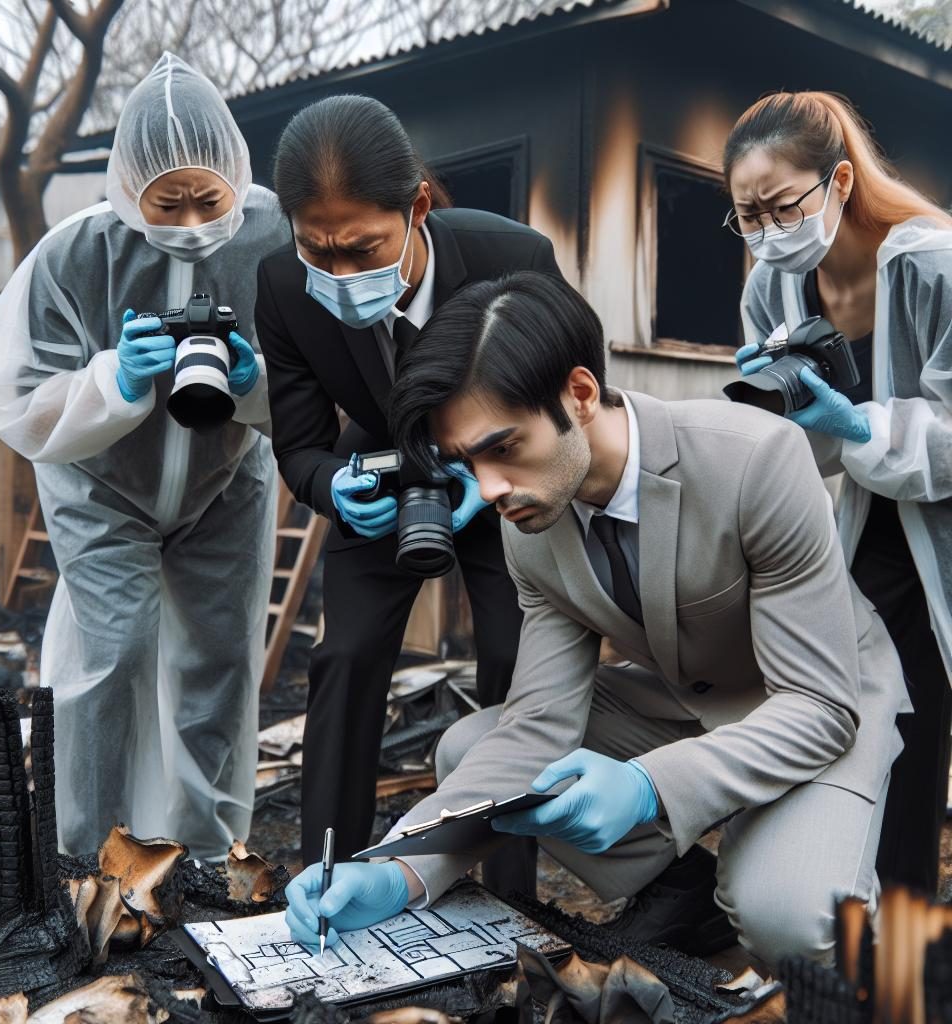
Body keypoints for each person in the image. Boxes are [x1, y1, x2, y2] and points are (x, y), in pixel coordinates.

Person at [282, 271, 908, 968]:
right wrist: (397, 869)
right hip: (685, 702)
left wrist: (648, 787)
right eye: (467, 463)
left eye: (503, 447)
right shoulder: (530, 520)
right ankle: (690, 900)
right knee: (473, 748)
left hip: (818, 701)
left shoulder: (754, 458)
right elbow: (537, 724)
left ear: (579, 395)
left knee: (786, 917)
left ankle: (803, 903)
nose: (487, 490)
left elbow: (818, 707)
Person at [0, 53, 290, 860]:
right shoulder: (75, 254)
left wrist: (256, 389)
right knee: (110, 659)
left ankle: (208, 855)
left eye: (207, 197)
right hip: (102, 486)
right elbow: (16, 394)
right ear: (127, 188)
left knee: (219, 663)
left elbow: (321, 370)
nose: (190, 220)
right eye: (168, 201)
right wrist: (111, 381)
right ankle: (91, 858)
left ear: (236, 174)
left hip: (228, 479)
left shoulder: (274, 234)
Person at [255, 95, 563, 869]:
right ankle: (326, 875)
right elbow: (300, 446)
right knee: (346, 657)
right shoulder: (283, 287)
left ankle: (504, 881)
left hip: (504, 468)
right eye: (316, 250)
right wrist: (333, 487)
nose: (338, 273)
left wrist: (490, 472)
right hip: (384, 465)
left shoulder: (513, 260)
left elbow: (570, 408)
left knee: (512, 651)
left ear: (418, 206)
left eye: (362, 249)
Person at [724, 91, 952, 895]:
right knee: (892, 743)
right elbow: (808, 443)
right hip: (869, 537)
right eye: (745, 217)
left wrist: (856, 427)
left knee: (917, 745)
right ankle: (884, 963)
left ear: (842, 181)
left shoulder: (930, 265)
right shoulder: (771, 292)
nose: (765, 233)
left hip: (945, 534)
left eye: (781, 206)